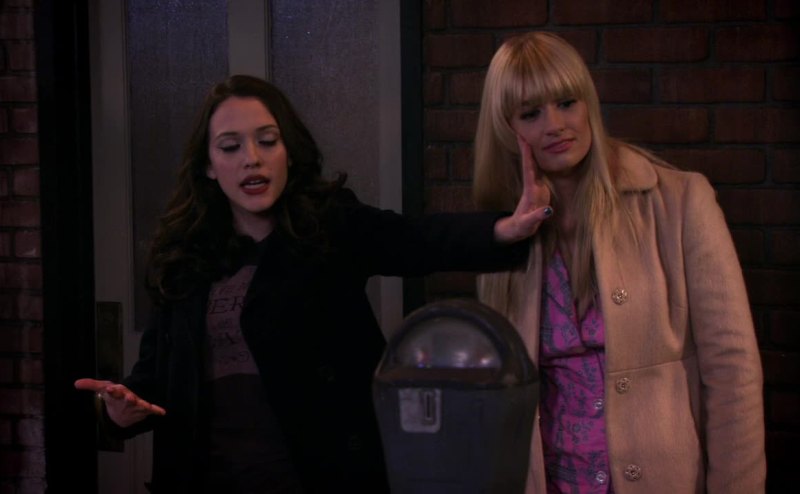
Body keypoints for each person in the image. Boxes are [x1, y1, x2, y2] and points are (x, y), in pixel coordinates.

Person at [75, 74, 552, 493]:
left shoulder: (329, 227)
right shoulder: (182, 259)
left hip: (317, 478)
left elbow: (417, 239)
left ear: (289, 151)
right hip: (209, 479)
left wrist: (504, 230)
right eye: (230, 147)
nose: (252, 159)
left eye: (267, 141)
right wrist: (117, 412)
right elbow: (155, 379)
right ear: (208, 165)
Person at [472, 32, 766, 493]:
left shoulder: (681, 201)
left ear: (588, 103)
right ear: (507, 129)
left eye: (567, 103)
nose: (555, 125)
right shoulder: (502, 232)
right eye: (531, 114)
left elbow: (734, 370)